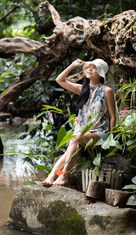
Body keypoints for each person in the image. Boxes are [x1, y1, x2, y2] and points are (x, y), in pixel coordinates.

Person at [41, 58, 116, 186]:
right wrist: (72, 65)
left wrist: (111, 140)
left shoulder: (107, 91)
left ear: (101, 72)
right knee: (70, 149)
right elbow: (59, 80)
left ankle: (63, 176)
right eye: (88, 66)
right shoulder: (82, 89)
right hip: (82, 134)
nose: (90, 69)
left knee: (74, 139)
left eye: (94, 67)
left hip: (100, 134)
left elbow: (112, 116)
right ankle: (51, 176)